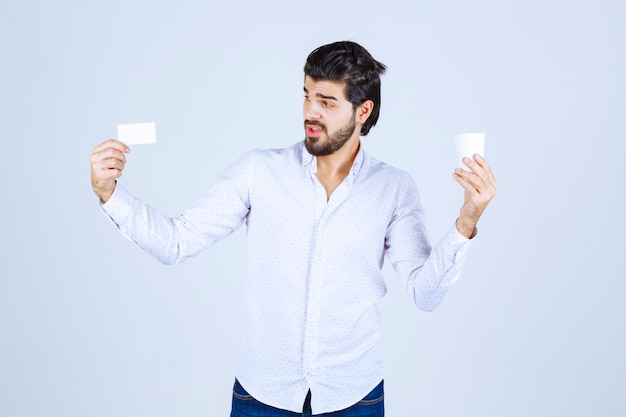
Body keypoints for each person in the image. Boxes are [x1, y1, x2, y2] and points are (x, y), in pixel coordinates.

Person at [90, 41, 497, 417]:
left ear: (363, 111)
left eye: (326, 101)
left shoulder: (393, 188)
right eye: (306, 95)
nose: (310, 112)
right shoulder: (259, 171)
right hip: (261, 396)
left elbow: (424, 293)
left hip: (354, 397)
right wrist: (110, 192)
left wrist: (465, 223)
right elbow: (176, 243)